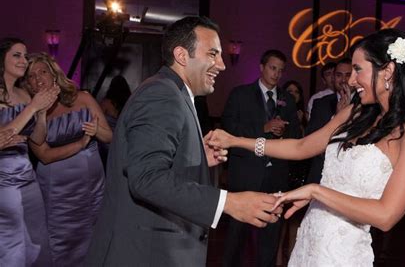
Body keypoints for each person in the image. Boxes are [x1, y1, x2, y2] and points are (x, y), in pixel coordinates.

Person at [209, 28, 405, 266]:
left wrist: (316, 191)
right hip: (310, 239)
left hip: (343, 254)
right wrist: (235, 141)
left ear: (387, 71)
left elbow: (386, 216)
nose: (350, 80)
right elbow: (301, 146)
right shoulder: (355, 113)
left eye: (358, 70)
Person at [85, 16, 282, 266]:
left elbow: (155, 160)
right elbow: (146, 178)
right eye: (213, 54)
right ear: (181, 55)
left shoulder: (174, 92)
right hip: (146, 252)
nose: (221, 65)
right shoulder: (161, 95)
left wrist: (196, 157)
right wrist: (228, 202)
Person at [25, 52, 112, 266]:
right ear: (27, 84)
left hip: (93, 187)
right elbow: (44, 156)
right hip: (58, 192)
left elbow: (109, 137)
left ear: (54, 74)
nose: (38, 79)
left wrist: (96, 129)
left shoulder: (82, 98)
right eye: (31, 76)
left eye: (43, 72)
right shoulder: (28, 113)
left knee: (95, 238)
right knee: (62, 244)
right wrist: (80, 144)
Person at [221, 49, 301, 267]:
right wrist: (262, 128)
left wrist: (283, 133)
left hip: (276, 177)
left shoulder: (287, 100)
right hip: (246, 175)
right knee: (235, 241)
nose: (276, 74)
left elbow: (297, 136)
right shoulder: (240, 94)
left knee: (270, 241)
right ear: (261, 68)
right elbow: (229, 127)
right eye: (273, 68)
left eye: (280, 71)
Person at [0, 38, 59, 266]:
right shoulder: (26, 101)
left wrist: (42, 113)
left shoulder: (24, 95)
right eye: (16, 55)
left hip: (28, 179)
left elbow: (37, 139)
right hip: (3, 184)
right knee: (10, 244)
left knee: (36, 241)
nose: (23, 61)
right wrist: (33, 108)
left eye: (25, 56)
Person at [305, 58, 353, 184]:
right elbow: (310, 139)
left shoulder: (365, 104)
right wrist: (338, 117)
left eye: (348, 75)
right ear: (333, 78)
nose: (343, 80)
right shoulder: (320, 103)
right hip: (322, 173)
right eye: (339, 75)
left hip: (351, 174)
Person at [99, 74, 131, 162]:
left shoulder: (105, 103)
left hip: (107, 142)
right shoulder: (129, 102)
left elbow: (97, 120)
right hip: (123, 139)